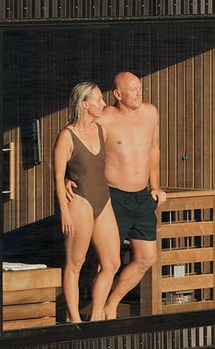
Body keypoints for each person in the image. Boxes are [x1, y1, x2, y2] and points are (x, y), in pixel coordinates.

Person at [94, 70, 164, 321]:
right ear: (117, 94)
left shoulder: (151, 113)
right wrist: (70, 179)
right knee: (107, 262)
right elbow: (77, 143)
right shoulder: (104, 118)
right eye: (132, 89)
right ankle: (97, 316)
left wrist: (155, 186)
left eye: (140, 88)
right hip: (113, 197)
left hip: (141, 196)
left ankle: (110, 304)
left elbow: (153, 148)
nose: (139, 92)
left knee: (147, 258)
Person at [53, 82, 117, 324]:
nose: (103, 103)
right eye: (99, 100)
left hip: (103, 200)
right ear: (84, 104)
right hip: (79, 203)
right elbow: (59, 179)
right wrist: (64, 213)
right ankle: (75, 320)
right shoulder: (66, 136)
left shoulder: (103, 130)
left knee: (112, 263)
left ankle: (97, 314)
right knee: (75, 263)